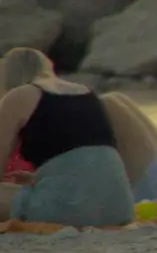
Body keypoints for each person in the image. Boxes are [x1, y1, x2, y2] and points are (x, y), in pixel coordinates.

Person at [0, 48, 135, 226]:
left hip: (66, 210)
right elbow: (92, 160)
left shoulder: (18, 96)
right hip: (119, 209)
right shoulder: (89, 94)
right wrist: (39, 178)